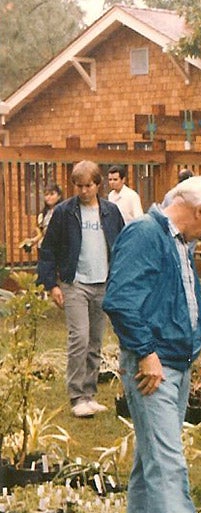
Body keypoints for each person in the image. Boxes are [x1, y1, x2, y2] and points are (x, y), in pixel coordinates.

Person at [102, 176, 201, 513]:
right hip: (153, 366)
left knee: (151, 459)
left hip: (174, 362)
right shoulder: (145, 234)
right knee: (168, 463)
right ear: (198, 211)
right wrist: (145, 353)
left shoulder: (176, 240)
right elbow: (120, 299)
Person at [37, 161, 124, 418]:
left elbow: (120, 245)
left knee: (96, 340)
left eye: (88, 186)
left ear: (98, 184)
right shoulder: (64, 213)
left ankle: (89, 393)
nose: (84, 191)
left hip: (103, 283)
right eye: (79, 186)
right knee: (80, 338)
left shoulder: (111, 212)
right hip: (74, 282)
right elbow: (48, 249)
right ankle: (76, 396)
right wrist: (52, 285)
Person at [20, 183, 63, 253]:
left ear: (59, 196)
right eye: (46, 195)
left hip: (58, 249)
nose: (48, 197)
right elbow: (41, 234)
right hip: (44, 249)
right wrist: (31, 241)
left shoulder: (64, 212)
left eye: (52, 194)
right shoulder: (42, 215)